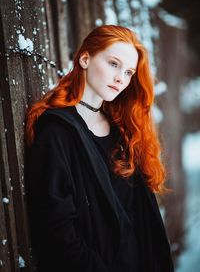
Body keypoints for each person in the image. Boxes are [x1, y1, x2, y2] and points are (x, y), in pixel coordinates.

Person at [25, 25, 174, 272]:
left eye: (128, 72)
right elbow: (56, 228)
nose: (120, 79)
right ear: (85, 58)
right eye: (113, 64)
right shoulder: (57, 131)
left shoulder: (122, 132)